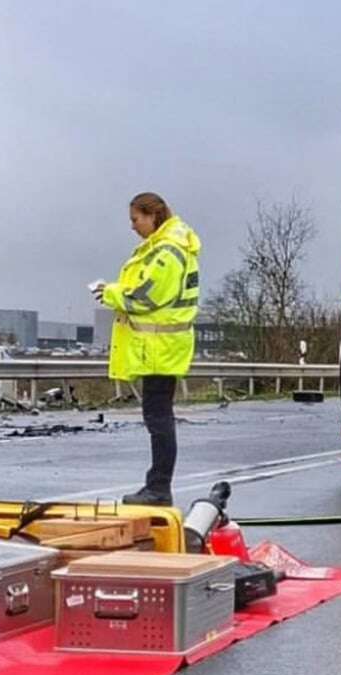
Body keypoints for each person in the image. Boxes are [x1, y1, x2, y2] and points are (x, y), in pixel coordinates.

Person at [91, 192, 200, 506]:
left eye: (135, 219)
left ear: (153, 216)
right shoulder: (167, 247)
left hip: (161, 347)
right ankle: (157, 485)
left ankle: (159, 488)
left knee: (158, 418)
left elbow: (146, 297)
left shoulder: (167, 252)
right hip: (163, 346)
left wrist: (110, 293)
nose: (133, 226)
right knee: (158, 416)